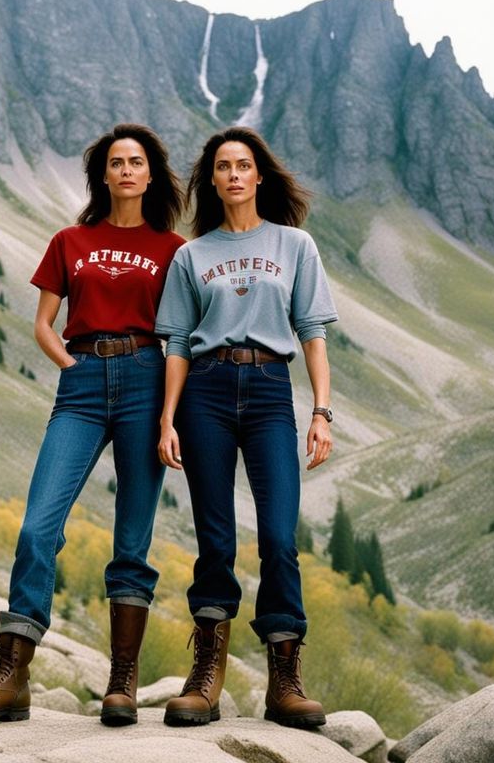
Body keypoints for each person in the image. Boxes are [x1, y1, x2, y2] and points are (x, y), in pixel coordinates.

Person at [0, 125, 185, 726]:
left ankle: (121, 683)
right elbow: (44, 322)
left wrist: (168, 413)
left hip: (147, 380)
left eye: (136, 162)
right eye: (115, 162)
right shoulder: (70, 240)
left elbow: (180, 334)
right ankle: (12, 678)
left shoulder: (173, 249)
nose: (126, 170)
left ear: (150, 174)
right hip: (80, 387)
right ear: (102, 176)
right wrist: (70, 364)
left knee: (132, 542)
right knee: (37, 528)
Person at [154, 127, 336, 729]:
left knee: (280, 536)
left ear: (260, 176)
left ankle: (285, 679)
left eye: (244, 165)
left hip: (269, 391)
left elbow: (312, 331)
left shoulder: (294, 245)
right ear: (212, 180)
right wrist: (167, 417)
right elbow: (177, 342)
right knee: (216, 537)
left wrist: (321, 412)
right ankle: (207, 676)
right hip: (203, 392)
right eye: (223, 167)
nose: (233, 175)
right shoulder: (191, 254)